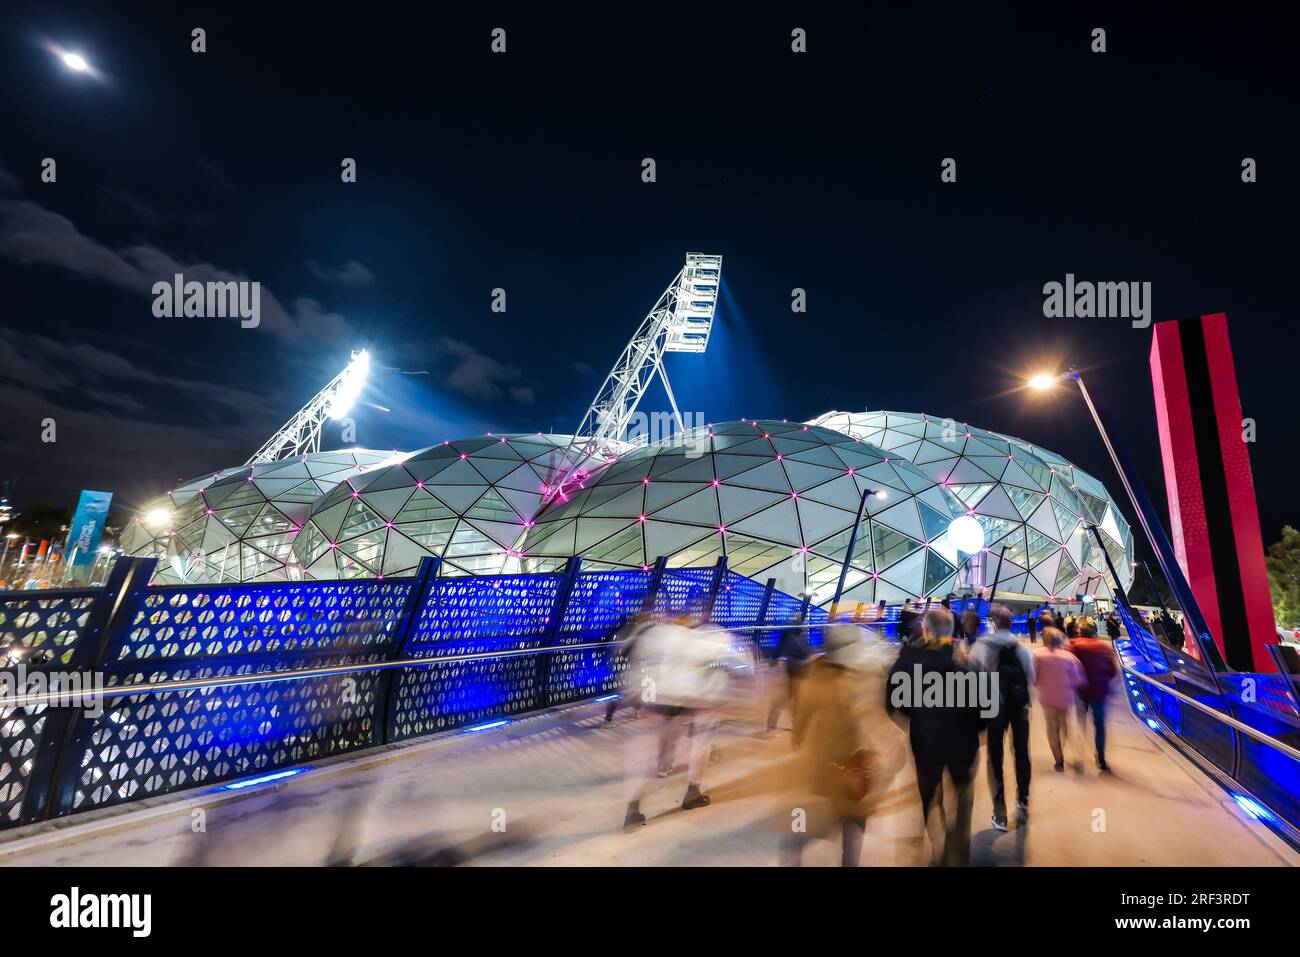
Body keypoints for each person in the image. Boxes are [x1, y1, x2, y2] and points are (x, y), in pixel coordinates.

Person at [782, 623, 903, 866]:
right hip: (852, 764)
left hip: (826, 762)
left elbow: (802, 716)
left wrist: (799, 735)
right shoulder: (861, 676)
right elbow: (871, 721)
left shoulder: (814, 674)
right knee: (850, 821)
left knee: (818, 820)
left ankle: (793, 856)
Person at [623, 617, 746, 827]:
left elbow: (630, 649)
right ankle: (693, 791)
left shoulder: (660, 633)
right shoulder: (704, 638)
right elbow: (737, 664)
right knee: (701, 740)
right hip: (694, 697)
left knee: (651, 750)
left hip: (661, 696)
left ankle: (633, 807)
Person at [886, 608, 983, 865]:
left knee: (930, 797)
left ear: (925, 630)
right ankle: (958, 852)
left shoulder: (907, 660)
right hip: (963, 744)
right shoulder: (966, 663)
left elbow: (892, 702)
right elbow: (986, 706)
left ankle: (937, 849)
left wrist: (915, 716)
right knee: (962, 797)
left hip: (925, 742)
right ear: (952, 632)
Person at [969, 604, 1035, 832]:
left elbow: (972, 680)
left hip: (993, 708)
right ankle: (1023, 802)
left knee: (994, 756)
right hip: (1019, 708)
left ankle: (1000, 813)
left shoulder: (981, 646)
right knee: (1022, 754)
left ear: (994, 623)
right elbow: (1031, 678)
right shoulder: (1022, 648)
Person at [1033, 627, 1086, 772]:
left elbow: (1033, 677)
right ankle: (1064, 745)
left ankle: (1058, 759)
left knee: (1052, 727)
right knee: (1065, 725)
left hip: (1047, 697)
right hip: (1066, 696)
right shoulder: (1069, 657)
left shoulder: (1037, 654)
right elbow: (1078, 679)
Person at [1070, 619, 1120, 771]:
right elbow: (1113, 671)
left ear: (1080, 631)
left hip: (1081, 691)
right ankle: (1101, 758)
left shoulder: (1075, 646)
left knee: (1080, 724)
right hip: (1100, 691)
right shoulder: (1103, 648)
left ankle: (1079, 757)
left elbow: (1070, 667)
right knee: (1099, 726)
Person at [767, 625, 810, 734]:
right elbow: (805, 651)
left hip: (793, 665)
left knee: (790, 696)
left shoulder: (788, 632)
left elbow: (780, 647)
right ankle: (774, 726)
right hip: (798, 667)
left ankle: (773, 726)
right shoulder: (800, 632)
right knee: (792, 696)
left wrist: (774, 658)